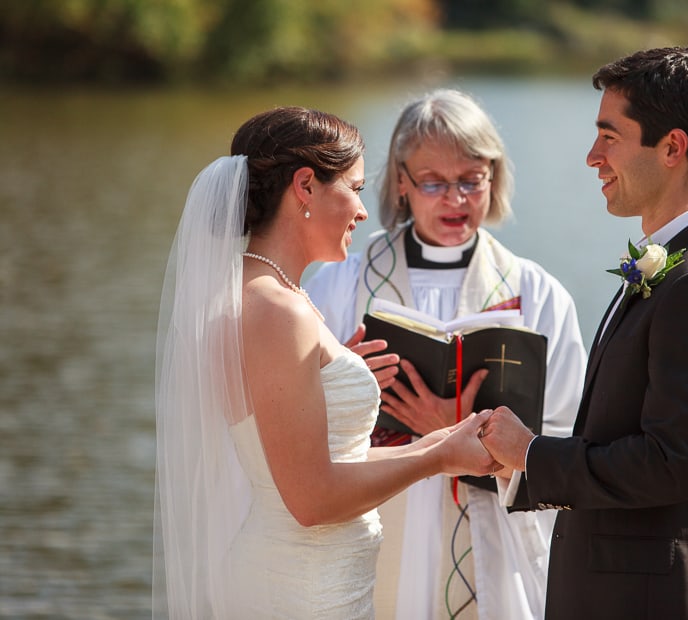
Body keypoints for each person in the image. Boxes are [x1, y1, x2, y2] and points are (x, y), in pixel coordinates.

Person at [152, 106, 499, 619]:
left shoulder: (270, 295)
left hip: (312, 576)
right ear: (306, 187)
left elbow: (321, 464)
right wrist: (438, 460)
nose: (362, 211)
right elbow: (311, 500)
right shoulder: (276, 309)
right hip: (300, 588)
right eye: (355, 188)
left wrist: (437, 441)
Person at [478, 47, 688, 619]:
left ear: (672, 148)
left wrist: (532, 454)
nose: (592, 157)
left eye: (609, 137)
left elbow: (670, 463)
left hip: (659, 602)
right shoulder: (674, 267)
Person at [307, 89, 587, 619]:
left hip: (492, 539)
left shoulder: (537, 294)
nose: (454, 199)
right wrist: (340, 378)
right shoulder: (341, 283)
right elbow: (294, 424)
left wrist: (457, 428)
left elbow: (567, 443)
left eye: (470, 180)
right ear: (401, 183)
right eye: (433, 182)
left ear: (494, 176)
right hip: (375, 518)